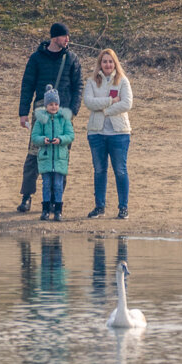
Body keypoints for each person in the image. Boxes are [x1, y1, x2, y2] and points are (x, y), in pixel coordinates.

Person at [17, 22, 82, 212]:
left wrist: (73, 111)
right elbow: (27, 85)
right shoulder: (36, 58)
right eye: (64, 36)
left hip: (64, 115)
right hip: (41, 113)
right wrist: (23, 113)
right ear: (55, 38)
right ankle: (27, 196)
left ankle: (56, 199)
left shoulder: (72, 59)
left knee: (61, 156)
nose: (67, 39)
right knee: (34, 154)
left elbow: (78, 87)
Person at [83, 48, 133, 219]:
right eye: (104, 61)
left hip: (119, 133)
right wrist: (111, 101)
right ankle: (99, 206)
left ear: (115, 63)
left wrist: (104, 111)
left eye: (110, 61)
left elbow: (126, 104)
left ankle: (123, 207)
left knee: (120, 170)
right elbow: (89, 102)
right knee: (99, 170)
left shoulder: (123, 81)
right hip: (96, 133)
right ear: (100, 64)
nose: (107, 64)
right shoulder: (91, 82)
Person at [30, 85, 74, 221]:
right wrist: (44, 140)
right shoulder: (41, 120)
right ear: (46, 105)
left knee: (58, 185)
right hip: (46, 158)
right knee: (46, 184)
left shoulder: (64, 119)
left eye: (55, 104)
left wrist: (60, 139)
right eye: (50, 104)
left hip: (60, 158)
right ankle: (45, 210)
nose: (53, 107)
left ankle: (58, 211)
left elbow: (70, 135)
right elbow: (34, 137)